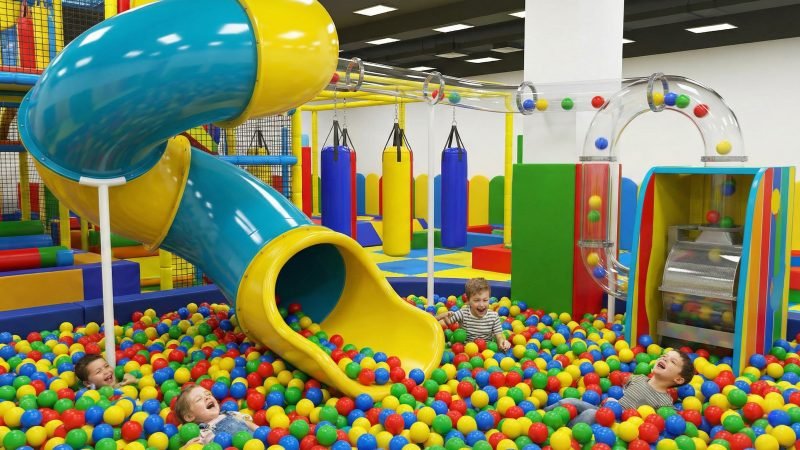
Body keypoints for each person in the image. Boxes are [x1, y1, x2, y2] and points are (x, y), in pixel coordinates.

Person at [544, 350, 694, 426]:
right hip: (606, 410)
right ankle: (540, 416)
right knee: (569, 401)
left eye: (672, 361)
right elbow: (622, 389)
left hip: (619, 425)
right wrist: (611, 400)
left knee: (590, 413)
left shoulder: (665, 402)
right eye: (664, 356)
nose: (664, 359)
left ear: (678, 379)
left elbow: (665, 420)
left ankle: (568, 434)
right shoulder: (639, 378)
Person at [436, 277, 511, 351]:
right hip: (465, 351)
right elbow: (441, 322)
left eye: (485, 300)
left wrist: (503, 343)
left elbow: (499, 336)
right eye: (476, 300)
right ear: (468, 301)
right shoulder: (463, 313)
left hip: (487, 352)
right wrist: (442, 315)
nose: (481, 304)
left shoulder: (494, 317)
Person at [174, 385, 257, 445]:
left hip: (256, 443)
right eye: (199, 399)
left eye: (208, 394)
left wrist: (259, 430)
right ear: (189, 416)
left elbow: (247, 423)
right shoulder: (201, 433)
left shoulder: (228, 413)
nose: (207, 397)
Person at [74, 354, 139, 390]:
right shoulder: (94, 398)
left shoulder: (123, 383)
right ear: (88, 383)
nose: (106, 371)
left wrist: (135, 381)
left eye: (106, 366)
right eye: (98, 371)